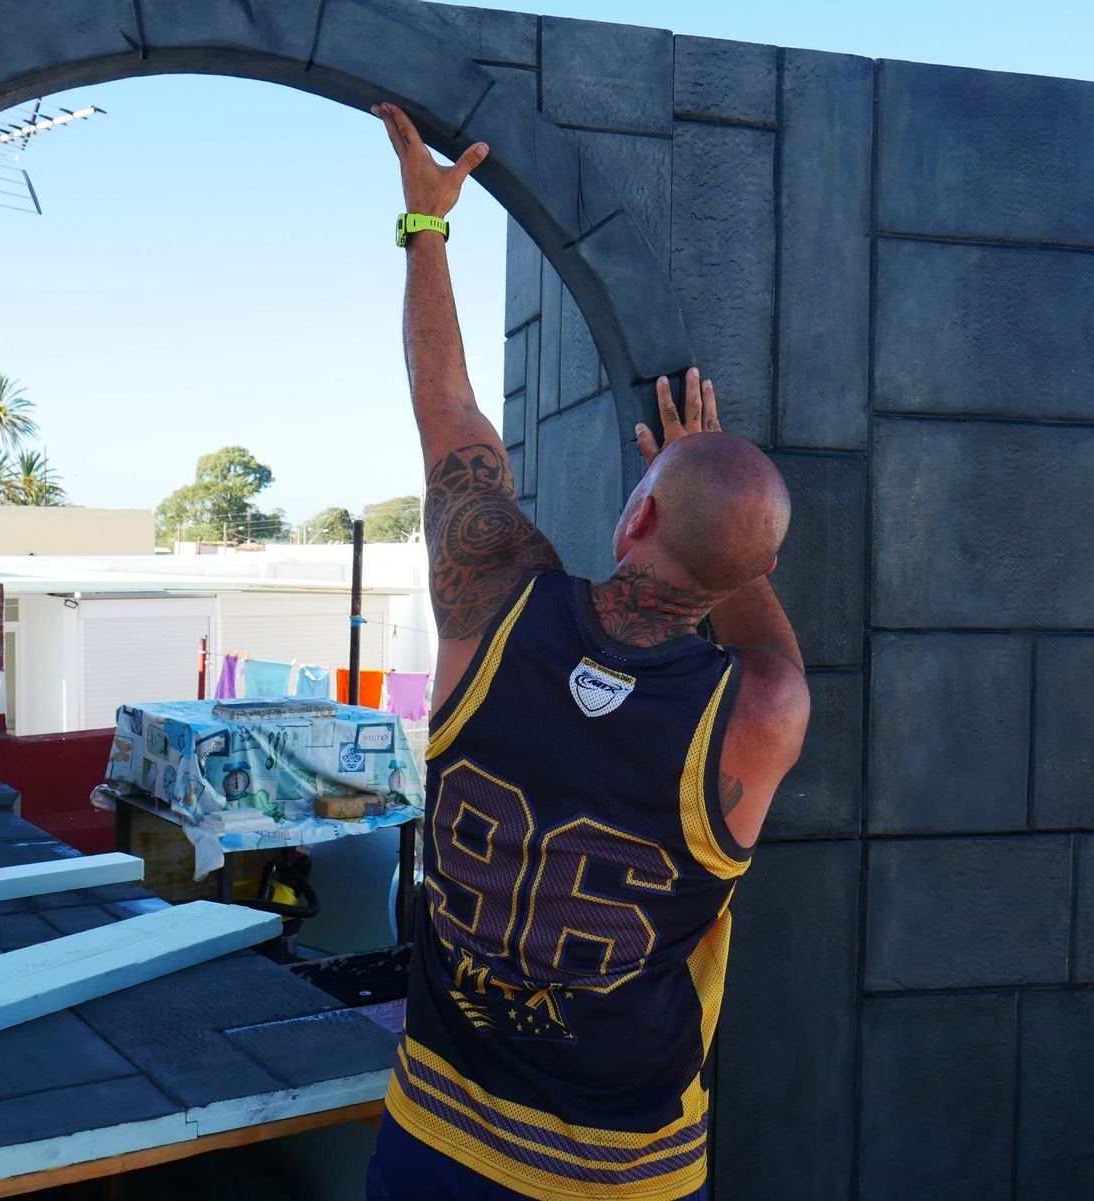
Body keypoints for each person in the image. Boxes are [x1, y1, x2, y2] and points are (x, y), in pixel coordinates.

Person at [367, 102, 811, 1201]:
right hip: (624, 1171)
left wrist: (426, 229)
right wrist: (711, 506)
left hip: (438, 1137)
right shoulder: (758, 714)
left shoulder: (489, 603)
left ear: (635, 520)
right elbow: (761, 629)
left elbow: (447, 415)